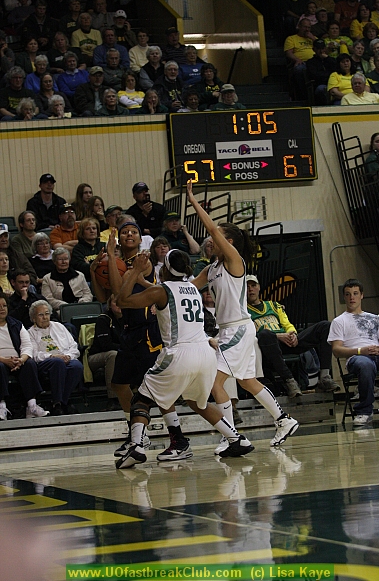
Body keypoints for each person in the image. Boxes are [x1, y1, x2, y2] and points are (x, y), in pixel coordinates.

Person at [115, 249, 255, 469]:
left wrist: (134, 272)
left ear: (166, 269)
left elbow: (122, 300)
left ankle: (136, 447)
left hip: (180, 353)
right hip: (205, 354)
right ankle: (236, 439)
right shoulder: (192, 287)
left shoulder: (162, 291)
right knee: (197, 402)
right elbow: (168, 292)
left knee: (141, 399)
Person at [186, 181, 299, 451]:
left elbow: (212, 228)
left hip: (236, 329)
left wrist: (193, 201)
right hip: (231, 331)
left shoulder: (235, 260)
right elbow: (190, 288)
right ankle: (283, 420)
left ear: (229, 241)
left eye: (217, 237)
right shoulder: (211, 268)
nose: (211, 240)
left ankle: (232, 437)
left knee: (214, 382)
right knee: (248, 381)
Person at [89, 225, 162, 455]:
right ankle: (137, 435)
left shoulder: (143, 262)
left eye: (133, 232)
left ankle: (175, 437)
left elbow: (121, 294)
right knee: (119, 384)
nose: (129, 234)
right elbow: (104, 297)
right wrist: (94, 272)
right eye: (124, 232)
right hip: (128, 332)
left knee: (153, 391)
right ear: (119, 239)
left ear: (141, 238)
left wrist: (111, 256)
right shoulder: (121, 264)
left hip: (148, 332)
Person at [246, 275, 339, 398]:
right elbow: (251, 333)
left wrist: (293, 334)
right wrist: (278, 336)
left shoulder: (274, 305)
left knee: (325, 326)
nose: (251, 289)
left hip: (287, 342)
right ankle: (289, 381)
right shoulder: (243, 311)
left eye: (253, 285)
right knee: (265, 334)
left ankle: (324, 378)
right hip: (267, 348)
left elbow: (286, 323)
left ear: (259, 287)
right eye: (247, 287)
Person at [328, 278, 379, 425]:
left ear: (362, 295)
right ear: (344, 297)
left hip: (378, 355)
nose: (351, 297)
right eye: (348, 294)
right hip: (357, 357)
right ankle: (364, 411)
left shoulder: (375, 319)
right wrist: (361, 351)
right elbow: (336, 350)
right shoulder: (339, 321)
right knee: (365, 364)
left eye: (355, 293)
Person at [0, 293, 49, 422]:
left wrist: (21, 359)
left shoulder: (16, 324)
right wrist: (5, 360)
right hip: (1, 361)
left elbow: (27, 346)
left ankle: (32, 405)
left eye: (4, 305)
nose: (2, 309)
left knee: (30, 364)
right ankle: (1, 407)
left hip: (17, 360)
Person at [28, 300, 83, 415]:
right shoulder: (30, 333)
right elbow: (34, 355)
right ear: (33, 318)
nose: (45, 317)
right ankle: (57, 402)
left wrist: (68, 356)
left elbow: (73, 346)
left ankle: (62, 402)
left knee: (77, 366)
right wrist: (52, 356)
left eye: (47, 314)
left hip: (64, 358)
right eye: (41, 315)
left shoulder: (59, 327)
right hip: (45, 362)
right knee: (57, 362)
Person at [88, 293, 123, 411]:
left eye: (121, 301)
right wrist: (127, 348)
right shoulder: (104, 319)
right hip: (96, 356)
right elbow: (106, 345)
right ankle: (112, 400)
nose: (119, 305)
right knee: (113, 355)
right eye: (115, 302)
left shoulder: (130, 318)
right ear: (109, 304)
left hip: (122, 352)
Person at [42, 247, 93, 314]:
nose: (63, 262)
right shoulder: (47, 278)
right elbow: (48, 299)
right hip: (61, 310)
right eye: (60, 259)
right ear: (54, 261)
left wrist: (83, 302)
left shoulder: (80, 275)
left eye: (66, 259)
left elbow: (88, 294)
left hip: (80, 306)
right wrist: (66, 306)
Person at [283, 19, 315, 99]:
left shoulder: (314, 38)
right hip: (302, 63)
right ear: (299, 27)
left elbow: (323, 49)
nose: (307, 29)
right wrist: (297, 60)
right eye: (305, 27)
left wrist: (313, 39)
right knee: (299, 69)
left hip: (315, 63)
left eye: (309, 27)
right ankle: (302, 95)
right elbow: (288, 53)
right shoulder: (291, 38)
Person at [306, 38, 337, 105]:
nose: (321, 51)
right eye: (318, 49)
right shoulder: (310, 62)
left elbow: (337, 69)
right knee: (322, 89)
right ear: (314, 49)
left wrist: (327, 58)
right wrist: (329, 75)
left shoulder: (330, 60)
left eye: (323, 48)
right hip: (320, 84)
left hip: (334, 83)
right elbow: (314, 75)